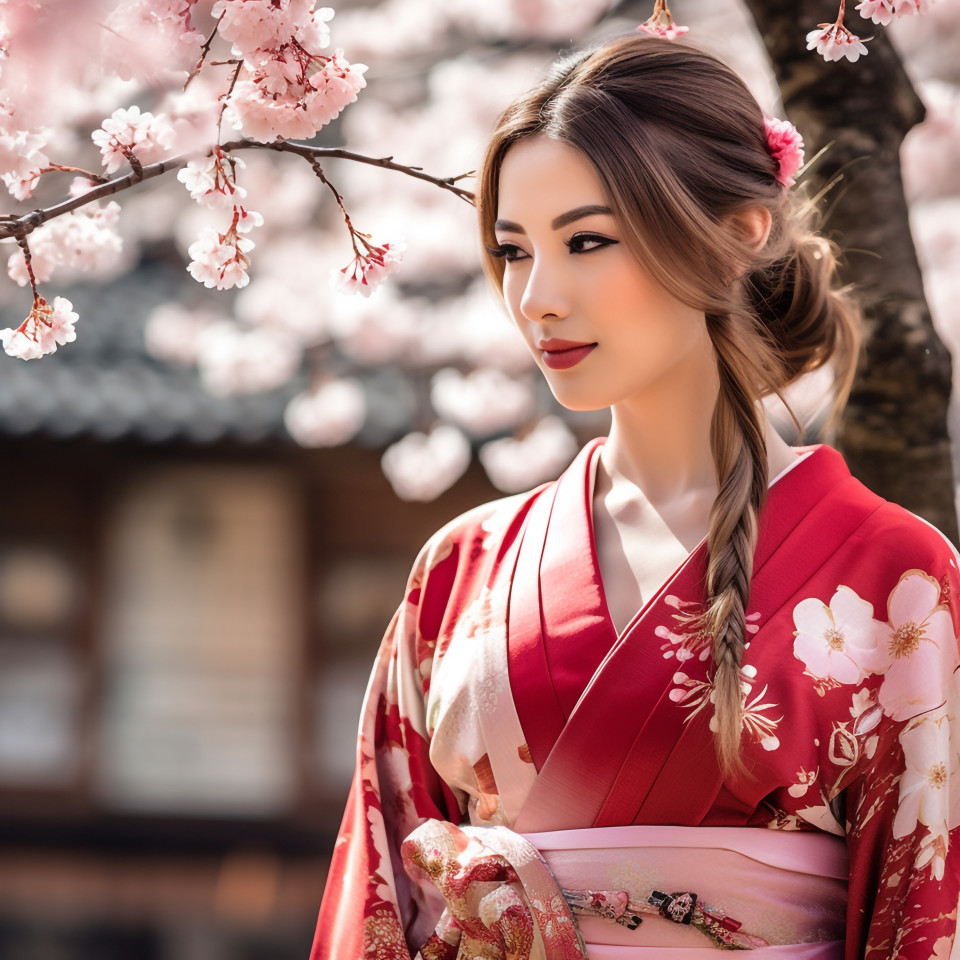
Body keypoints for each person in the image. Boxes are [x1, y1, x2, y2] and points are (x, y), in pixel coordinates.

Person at [309, 34, 960, 960]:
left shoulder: (895, 575)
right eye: (513, 250)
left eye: (586, 242)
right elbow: (379, 903)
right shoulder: (462, 568)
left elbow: (925, 915)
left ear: (740, 231)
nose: (537, 297)